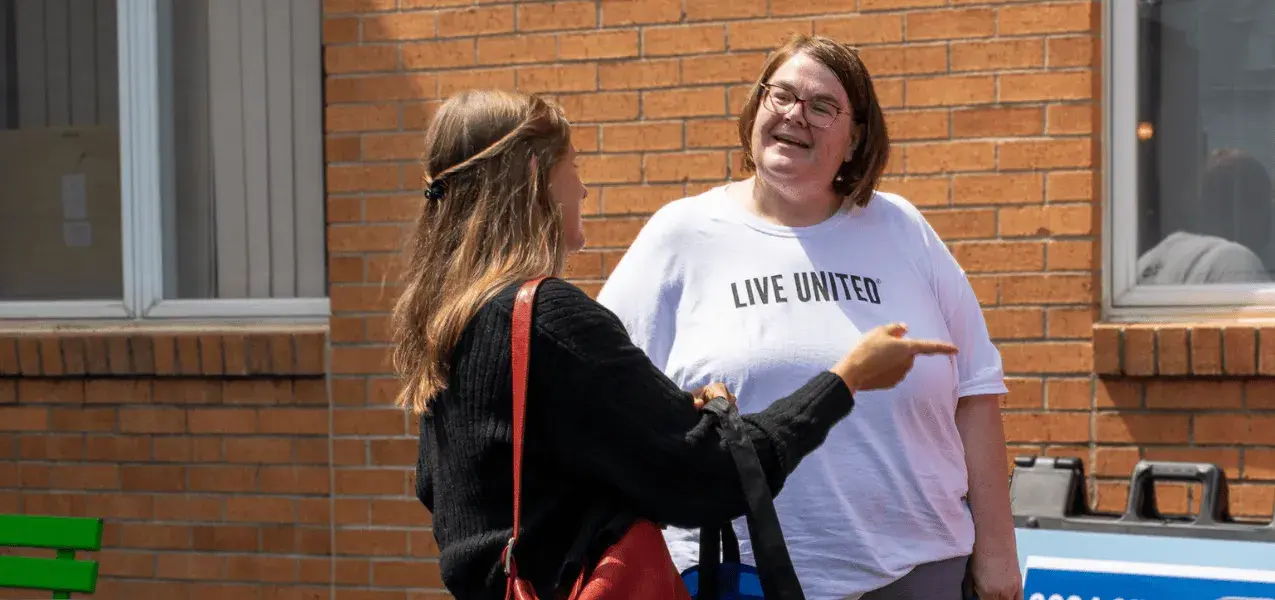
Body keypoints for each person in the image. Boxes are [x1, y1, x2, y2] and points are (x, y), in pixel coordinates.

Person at [392, 87, 961, 600]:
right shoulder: (548, 318)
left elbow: (441, 488)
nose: (583, 187)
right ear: (539, 173)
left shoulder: (450, 320)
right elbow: (712, 478)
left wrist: (663, 420)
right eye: (575, 165)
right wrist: (846, 380)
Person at [597, 35, 1022, 600]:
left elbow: (976, 392)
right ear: (756, 108)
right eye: (781, 96)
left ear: (855, 140)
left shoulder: (903, 230)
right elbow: (601, 399)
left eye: (823, 106)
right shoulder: (682, 235)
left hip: (918, 572)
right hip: (737, 575)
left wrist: (997, 553)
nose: (795, 114)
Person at [1137, 148, 1273, 285]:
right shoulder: (1236, 263)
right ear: (1242, 208)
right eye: (1265, 202)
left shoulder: (1156, 256)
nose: (1270, 216)